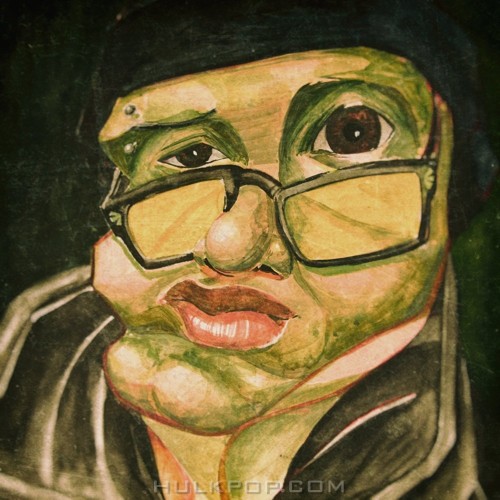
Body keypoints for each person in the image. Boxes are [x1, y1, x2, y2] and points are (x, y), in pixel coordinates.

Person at [0, 0, 497, 498]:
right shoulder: (30, 356)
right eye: (191, 156)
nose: (230, 245)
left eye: (352, 136)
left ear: (450, 186)